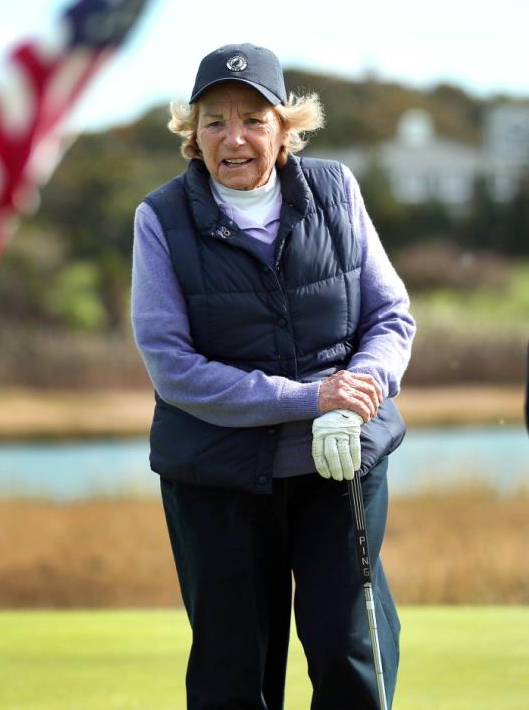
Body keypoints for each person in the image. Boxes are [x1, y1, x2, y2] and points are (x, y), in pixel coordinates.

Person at [131, 42, 416, 710]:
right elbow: (174, 367)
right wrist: (313, 395)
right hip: (218, 477)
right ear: (192, 133)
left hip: (339, 468)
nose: (234, 138)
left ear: (285, 128)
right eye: (214, 120)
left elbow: (390, 316)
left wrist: (357, 394)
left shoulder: (336, 189)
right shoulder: (160, 219)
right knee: (233, 678)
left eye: (254, 119)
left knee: (353, 660)